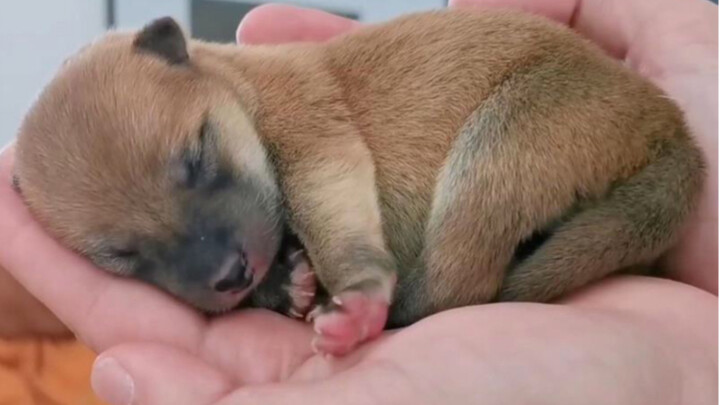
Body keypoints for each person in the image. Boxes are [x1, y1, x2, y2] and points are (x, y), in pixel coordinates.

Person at [0, 0, 716, 403]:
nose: (215, 259)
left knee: (479, 195)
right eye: (131, 254)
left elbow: (327, 177)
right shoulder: (218, 173)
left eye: (198, 164)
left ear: (180, 59)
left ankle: (446, 293)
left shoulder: (286, 94)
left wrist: (358, 273)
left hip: (542, 102)